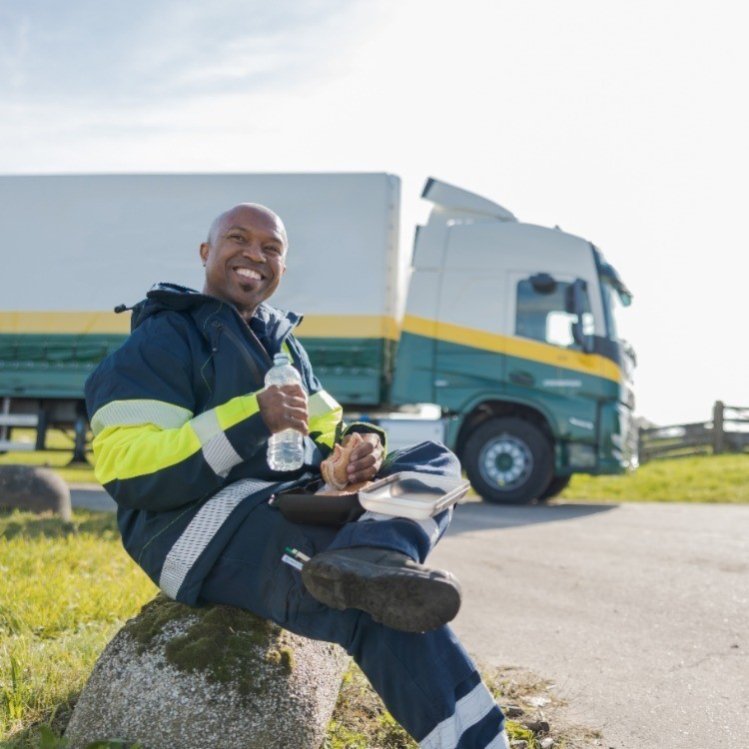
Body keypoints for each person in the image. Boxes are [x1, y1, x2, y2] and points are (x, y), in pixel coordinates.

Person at [85, 203, 509, 749]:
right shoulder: (162, 339)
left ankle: (376, 554)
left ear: (282, 266)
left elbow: (329, 429)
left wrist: (358, 450)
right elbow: (132, 473)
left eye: (272, 248)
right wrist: (251, 418)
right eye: (238, 239)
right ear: (205, 252)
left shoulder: (281, 341)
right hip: (199, 530)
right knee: (376, 608)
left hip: (287, 503)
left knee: (433, 459)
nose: (254, 255)